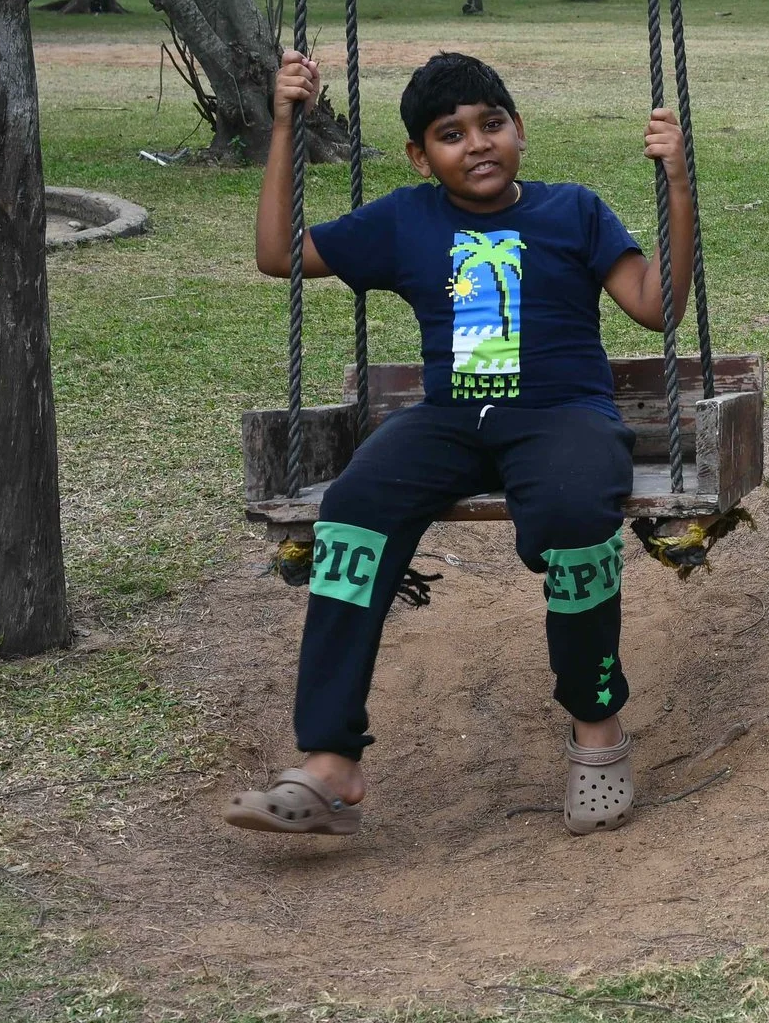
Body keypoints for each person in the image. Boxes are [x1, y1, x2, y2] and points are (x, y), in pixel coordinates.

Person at [225, 50, 695, 838]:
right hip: (449, 418)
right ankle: (331, 760)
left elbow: (658, 306)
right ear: (421, 156)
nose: (477, 143)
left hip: (563, 415)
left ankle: (596, 725)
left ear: (519, 130)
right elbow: (279, 255)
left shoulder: (573, 210)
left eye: (491, 123)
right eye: (451, 133)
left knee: (576, 514)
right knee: (352, 509)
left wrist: (677, 182)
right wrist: (284, 125)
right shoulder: (403, 219)